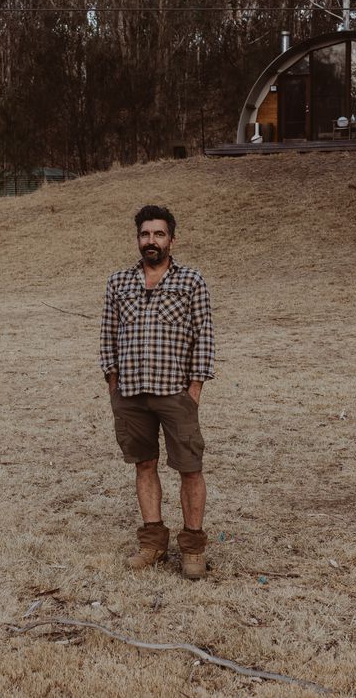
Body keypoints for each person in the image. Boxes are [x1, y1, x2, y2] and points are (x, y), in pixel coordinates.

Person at [99, 205, 215, 580]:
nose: (152, 241)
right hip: (130, 393)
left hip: (175, 393)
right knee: (144, 464)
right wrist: (114, 384)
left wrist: (193, 389)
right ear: (138, 239)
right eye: (145, 234)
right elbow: (107, 336)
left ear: (171, 239)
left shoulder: (191, 281)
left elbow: (204, 337)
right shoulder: (119, 282)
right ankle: (152, 543)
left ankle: (193, 548)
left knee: (189, 468)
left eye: (159, 234)